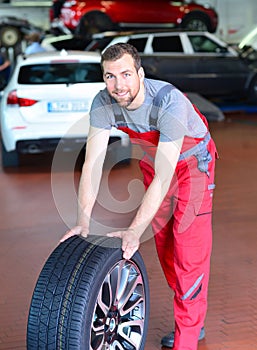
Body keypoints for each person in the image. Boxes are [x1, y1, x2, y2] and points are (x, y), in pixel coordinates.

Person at [60, 43, 218, 349]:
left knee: (189, 253)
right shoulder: (103, 102)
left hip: (192, 167)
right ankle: (193, 316)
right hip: (155, 161)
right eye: (110, 76)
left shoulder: (168, 101)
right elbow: (92, 164)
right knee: (166, 248)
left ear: (140, 74)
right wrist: (83, 220)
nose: (119, 85)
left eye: (126, 74)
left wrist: (133, 230)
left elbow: (165, 173)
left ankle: (187, 336)